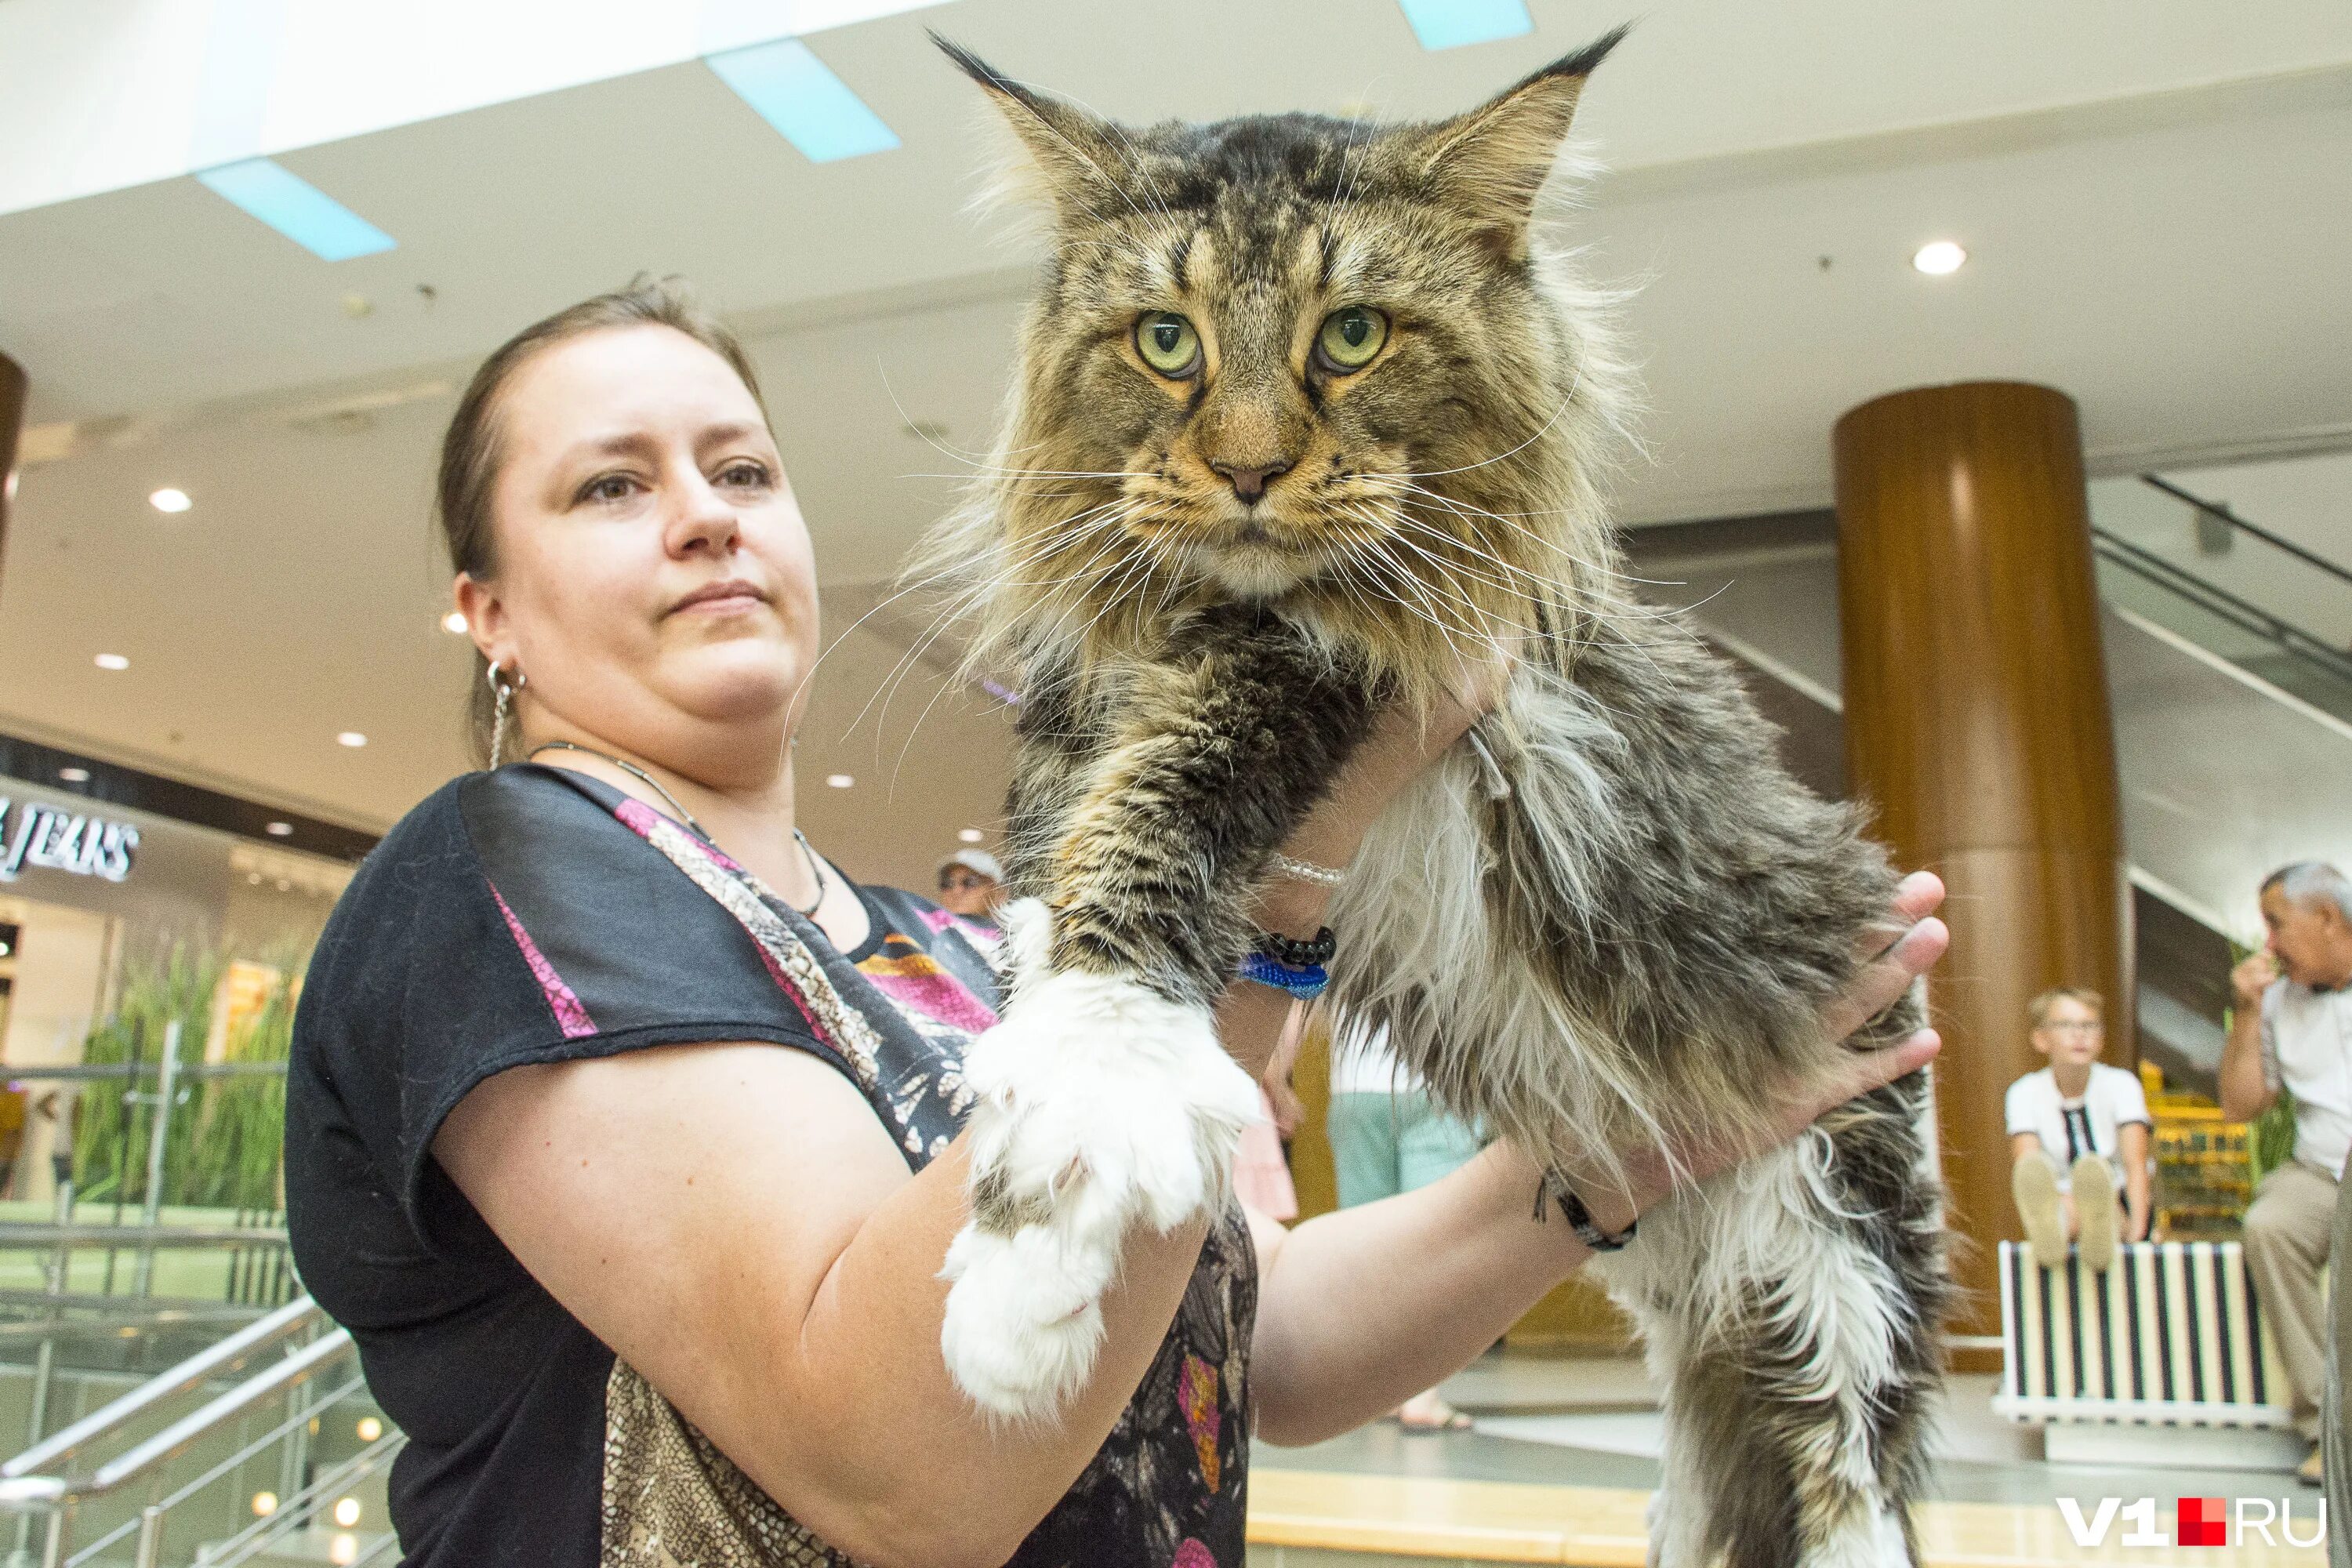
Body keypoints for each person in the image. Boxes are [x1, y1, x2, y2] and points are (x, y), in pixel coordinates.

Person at [282, 279, 1951, 1567]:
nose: (706, 513)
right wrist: (1291, 854)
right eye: (609, 487)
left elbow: (1261, 1346)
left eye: (742, 469)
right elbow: (902, 1469)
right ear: (487, 612)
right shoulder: (495, 882)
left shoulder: (946, 954)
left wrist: (1623, 1157)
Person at [2220, 861, 2352, 1486]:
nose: (2268, 943)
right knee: (2271, 1225)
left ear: (2326, 917)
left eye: (2277, 924)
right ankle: (2332, 1429)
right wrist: (2248, 1013)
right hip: (2321, 1170)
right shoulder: (2276, 1000)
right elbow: (2242, 1106)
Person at [1326, 1012, 1486, 1429]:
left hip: (1356, 1088)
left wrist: (1275, 1080)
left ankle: (1378, 1391)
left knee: (1364, 1246)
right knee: (1436, 1247)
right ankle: (1421, 1394)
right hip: (1438, 1086)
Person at [2005, 988, 2151, 1272]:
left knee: (2098, 1197)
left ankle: (2093, 1231)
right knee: (2062, 1204)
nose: (2079, 1035)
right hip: (2057, 1199)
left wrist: (2138, 1233)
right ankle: (2063, 1233)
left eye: (2089, 1025)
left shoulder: (2122, 1084)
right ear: (2041, 1039)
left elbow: (2135, 1165)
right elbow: (2028, 1168)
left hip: (2115, 1196)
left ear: (2101, 1038)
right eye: (2065, 1025)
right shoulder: (2024, 1092)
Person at [935, 846, 1007, 930]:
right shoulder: (927, 934)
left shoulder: (1015, 935)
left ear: (999, 893)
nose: (957, 890)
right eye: (948, 883)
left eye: (970, 882)